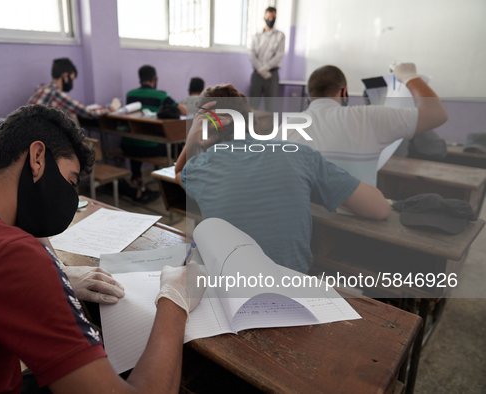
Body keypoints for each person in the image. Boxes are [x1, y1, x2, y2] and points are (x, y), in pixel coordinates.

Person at [0, 104, 206, 393]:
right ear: (37, 158)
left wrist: (60, 277)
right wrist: (174, 299)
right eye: (71, 182)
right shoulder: (9, 256)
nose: (70, 197)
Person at [174, 84, 391, 273]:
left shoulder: (199, 169)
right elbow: (380, 209)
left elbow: (178, 173)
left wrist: (192, 139)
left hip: (230, 291)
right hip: (291, 287)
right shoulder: (299, 153)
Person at [287, 63, 448, 186]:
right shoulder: (367, 117)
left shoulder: (285, 128)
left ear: (308, 96)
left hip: (305, 218)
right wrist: (410, 77)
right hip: (352, 220)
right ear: (344, 93)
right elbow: (437, 115)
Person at [121, 65, 186, 200]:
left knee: (138, 137)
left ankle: (136, 177)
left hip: (127, 147)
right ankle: (179, 182)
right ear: (155, 79)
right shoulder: (161, 95)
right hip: (149, 148)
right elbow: (184, 111)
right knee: (178, 146)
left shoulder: (130, 94)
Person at [27, 58, 121, 121]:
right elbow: (88, 112)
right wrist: (112, 107)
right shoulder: (56, 93)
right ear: (65, 76)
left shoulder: (40, 88)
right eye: (72, 78)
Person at [249, 6, 285, 112]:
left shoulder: (280, 35)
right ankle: (251, 128)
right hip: (257, 73)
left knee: (270, 106)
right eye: (269, 17)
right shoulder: (256, 36)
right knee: (253, 105)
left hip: (272, 74)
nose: (271, 19)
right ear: (264, 17)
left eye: (273, 17)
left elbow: (279, 55)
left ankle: (270, 129)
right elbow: (252, 54)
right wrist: (260, 69)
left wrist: (266, 68)